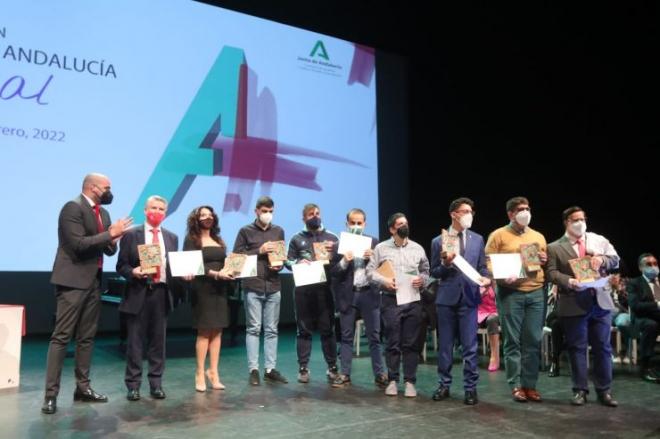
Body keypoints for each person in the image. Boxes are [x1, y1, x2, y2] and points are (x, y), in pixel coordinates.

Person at [42, 173, 132, 414]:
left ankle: (83, 388)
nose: (110, 191)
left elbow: (108, 250)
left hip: (93, 281)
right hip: (72, 281)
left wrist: (115, 239)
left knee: (87, 337)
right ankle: (50, 395)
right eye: (107, 187)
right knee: (61, 337)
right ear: (92, 187)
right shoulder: (72, 208)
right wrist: (109, 234)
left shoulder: (103, 213)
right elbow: (78, 245)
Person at [546, 206, 619, 407]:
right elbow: (551, 273)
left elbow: (615, 260)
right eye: (575, 219)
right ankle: (580, 390)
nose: (580, 222)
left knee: (603, 348)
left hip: (600, 301)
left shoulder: (598, 239)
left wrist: (602, 259)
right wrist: (569, 281)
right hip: (573, 301)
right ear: (567, 223)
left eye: (583, 218)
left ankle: (604, 391)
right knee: (577, 348)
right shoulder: (554, 247)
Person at [485, 196, 547, 403]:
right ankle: (516, 385)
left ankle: (530, 385)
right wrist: (501, 276)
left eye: (528, 208)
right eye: (521, 209)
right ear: (511, 213)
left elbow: (543, 260)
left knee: (533, 340)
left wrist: (544, 260)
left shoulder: (538, 236)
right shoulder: (498, 235)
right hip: (510, 293)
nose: (526, 212)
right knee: (512, 341)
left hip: (536, 292)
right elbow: (489, 262)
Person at [117, 195, 179, 401]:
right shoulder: (131, 235)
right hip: (138, 291)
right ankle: (133, 385)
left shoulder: (172, 237)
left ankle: (156, 384)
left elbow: (172, 268)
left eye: (162, 209)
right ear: (145, 210)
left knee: (158, 343)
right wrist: (133, 271)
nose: (158, 212)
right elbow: (121, 266)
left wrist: (184, 273)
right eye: (154, 208)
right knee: (135, 342)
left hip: (161, 293)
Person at [431, 198, 491, 405]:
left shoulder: (477, 239)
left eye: (471, 211)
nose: (469, 214)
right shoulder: (438, 241)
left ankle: (470, 388)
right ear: (453, 214)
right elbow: (434, 271)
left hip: (469, 298)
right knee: (445, 346)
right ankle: (444, 384)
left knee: (470, 346)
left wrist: (486, 277)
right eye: (464, 211)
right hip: (446, 299)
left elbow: (482, 266)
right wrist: (446, 265)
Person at [367, 212, 429, 398]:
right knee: (393, 342)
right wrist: (384, 281)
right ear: (392, 229)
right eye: (400, 224)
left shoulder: (417, 248)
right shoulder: (380, 248)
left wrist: (422, 280)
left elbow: (426, 270)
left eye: (406, 223)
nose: (405, 226)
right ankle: (392, 380)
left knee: (411, 343)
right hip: (390, 299)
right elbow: (370, 272)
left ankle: (410, 381)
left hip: (412, 299)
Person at [233, 196, 288, 385]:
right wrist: (259, 250)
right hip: (253, 285)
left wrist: (279, 266)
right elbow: (237, 257)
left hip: (273, 285)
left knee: (272, 329)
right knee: (254, 329)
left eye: (271, 211)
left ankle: (270, 369)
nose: (268, 214)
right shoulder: (245, 231)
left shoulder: (278, 230)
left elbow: (280, 257)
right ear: (256, 211)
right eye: (264, 211)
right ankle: (254, 369)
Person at [329, 208, 387, 388]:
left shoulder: (375, 243)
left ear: (365, 224)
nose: (355, 226)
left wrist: (373, 259)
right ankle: (345, 373)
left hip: (369, 293)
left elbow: (384, 270)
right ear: (347, 224)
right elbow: (334, 273)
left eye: (359, 223)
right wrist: (344, 260)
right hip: (349, 295)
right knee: (346, 337)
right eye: (352, 223)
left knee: (374, 337)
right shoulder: (340, 245)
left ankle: (380, 374)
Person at [183, 205, 234, 391]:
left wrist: (231, 268)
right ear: (196, 219)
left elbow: (224, 261)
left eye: (209, 215)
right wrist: (215, 274)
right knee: (204, 331)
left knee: (218, 331)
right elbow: (192, 265)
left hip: (220, 289)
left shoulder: (217, 239)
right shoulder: (192, 239)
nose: (207, 218)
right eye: (203, 215)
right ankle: (199, 372)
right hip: (202, 288)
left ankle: (213, 371)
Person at [287, 203, 339, 384]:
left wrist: (334, 256)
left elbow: (338, 265)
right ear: (304, 218)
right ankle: (303, 368)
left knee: (328, 330)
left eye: (317, 213)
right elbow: (288, 260)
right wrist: (297, 263)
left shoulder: (332, 238)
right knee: (304, 331)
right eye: (311, 214)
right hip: (303, 292)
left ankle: (332, 367)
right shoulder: (296, 238)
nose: (315, 216)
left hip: (325, 291)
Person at [626, 253, 660, 382]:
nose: (654, 267)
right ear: (641, 268)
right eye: (649, 264)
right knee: (651, 325)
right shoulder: (635, 283)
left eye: (655, 264)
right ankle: (645, 367)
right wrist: (657, 305)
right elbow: (635, 305)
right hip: (643, 318)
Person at [606, 271, 631, 365]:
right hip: (608, 314)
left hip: (623, 312)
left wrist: (621, 291)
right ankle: (613, 353)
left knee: (623, 323)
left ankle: (628, 353)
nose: (613, 277)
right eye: (610, 274)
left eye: (616, 274)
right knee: (603, 325)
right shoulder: (603, 284)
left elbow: (631, 301)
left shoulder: (626, 283)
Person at [478, 285, 501, 372]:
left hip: (497, 312)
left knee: (492, 320)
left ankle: (494, 356)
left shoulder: (499, 282)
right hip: (480, 312)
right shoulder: (479, 280)